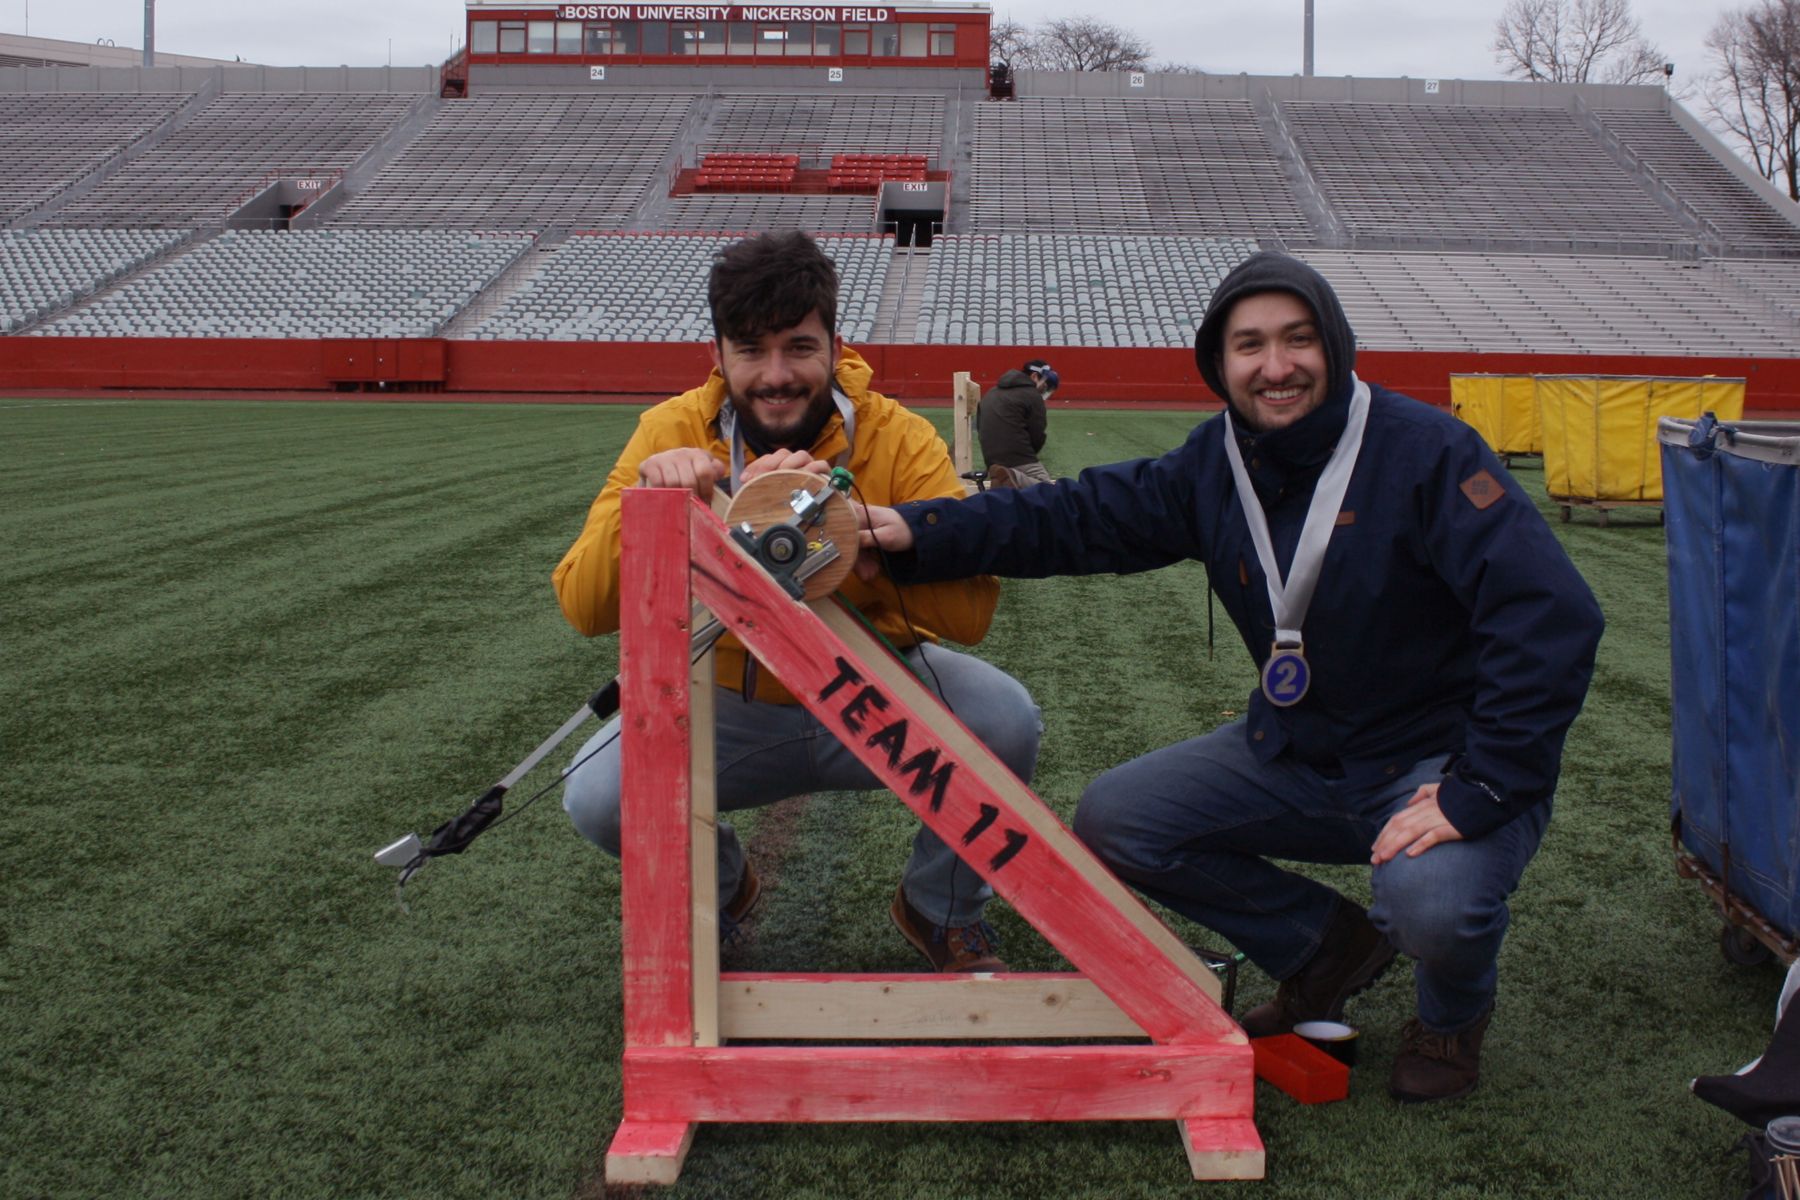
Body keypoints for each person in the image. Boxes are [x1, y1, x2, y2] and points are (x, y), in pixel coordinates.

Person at [854, 251, 1604, 1101]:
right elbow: (1076, 518)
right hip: (1300, 749)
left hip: (1437, 762)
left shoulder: (1425, 452)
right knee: (1119, 820)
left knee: (1431, 904)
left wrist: (1485, 786)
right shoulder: (1218, 461)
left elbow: (1551, 616)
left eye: (1298, 340)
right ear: (1220, 362)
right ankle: (1325, 946)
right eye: (1249, 346)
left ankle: (1452, 1013)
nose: (1275, 367)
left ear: (1337, 345)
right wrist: (915, 533)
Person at [552, 231, 1042, 972]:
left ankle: (939, 908)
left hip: (875, 690)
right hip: (730, 706)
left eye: (798, 348)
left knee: (1006, 721)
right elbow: (583, 606)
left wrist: (845, 547)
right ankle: (721, 890)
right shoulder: (671, 430)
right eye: (751, 350)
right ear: (716, 355)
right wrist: (649, 510)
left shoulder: (898, 437)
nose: (776, 375)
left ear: (835, 346)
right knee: (598, 794)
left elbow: (971, 618)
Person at [976, 358, 1055, 488]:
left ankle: (1004, 480)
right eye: (1044, 385)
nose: (1044, 390)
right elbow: (1037, 435)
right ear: (1034, 376)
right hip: (1018, 458)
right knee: (1047, 490)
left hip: (991, 461)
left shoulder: (990, 393)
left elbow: (980, 428)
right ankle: (1013, 477)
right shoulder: (1032, 395)